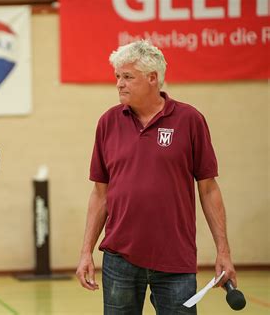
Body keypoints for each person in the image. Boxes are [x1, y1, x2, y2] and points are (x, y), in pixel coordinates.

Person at [76, 40, 237, 314]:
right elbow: (100, 193)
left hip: (176, 260)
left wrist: (224, 252)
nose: (119, 84)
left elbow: (209, 189)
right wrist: (85, 251)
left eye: (127, 76)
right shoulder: (108, 123)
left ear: (153, 78)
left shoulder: (190, 120)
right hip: (119, 260)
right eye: (117, 76)